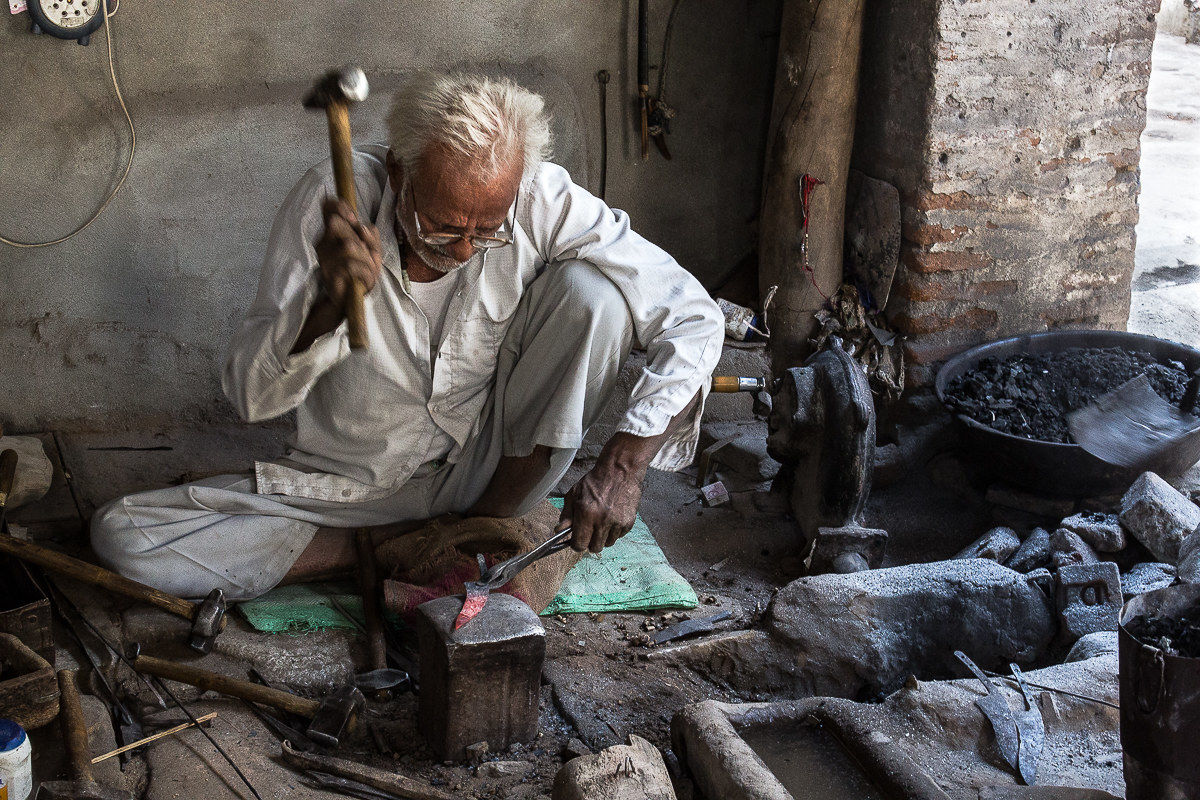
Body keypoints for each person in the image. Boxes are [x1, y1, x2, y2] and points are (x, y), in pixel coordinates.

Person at [90, 72, 724, 601]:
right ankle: (387, 545)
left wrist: (622, 464)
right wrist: (327, 310)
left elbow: (694, 315)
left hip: (490, 473)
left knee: (598, 296)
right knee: (124, 536)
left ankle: (478, 524)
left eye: (489, 230)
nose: (467, 249)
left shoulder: (539, 197)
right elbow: (250, 401)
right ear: (398, 172)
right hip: (356, 486)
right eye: (445, 228)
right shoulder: (332, 201)